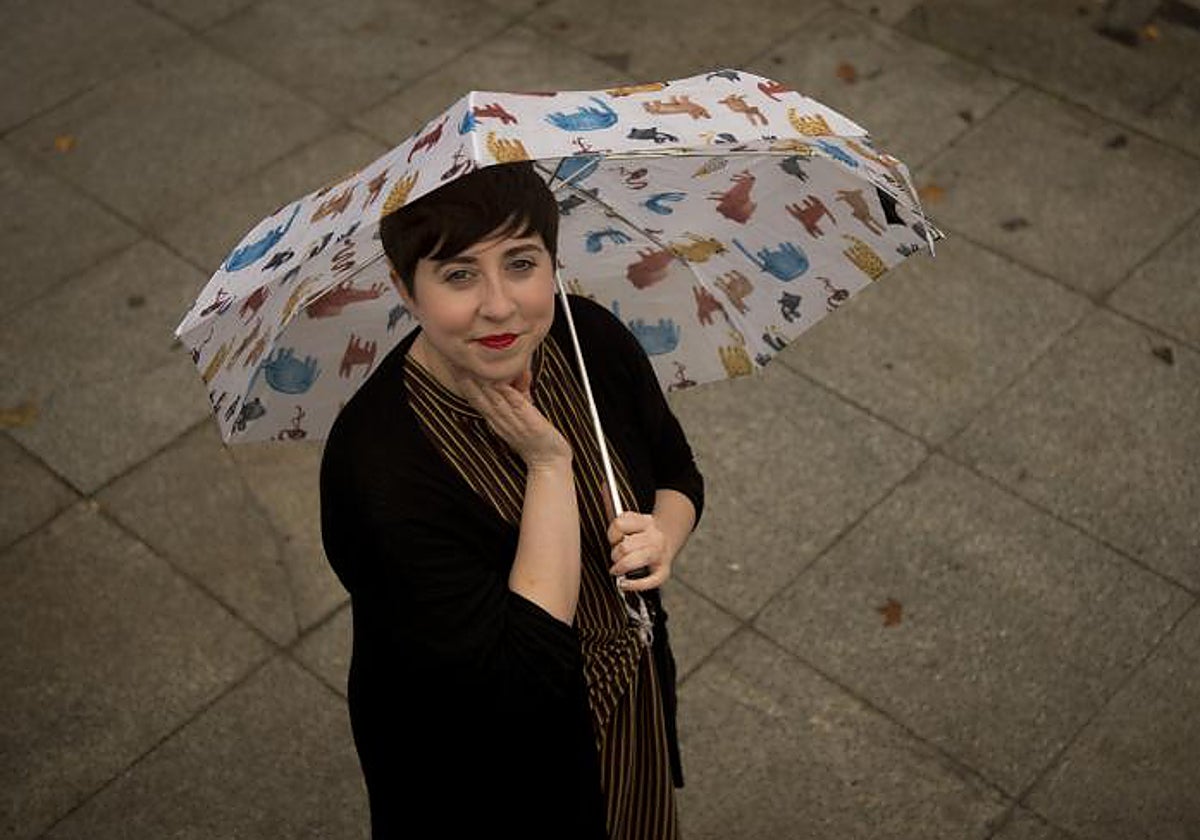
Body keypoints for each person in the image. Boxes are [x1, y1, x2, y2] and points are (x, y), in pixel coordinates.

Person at [319, 161, 704, 839]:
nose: (499, 306)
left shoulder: (587, 340)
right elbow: (522, 680)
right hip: (493, 770)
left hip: (627, 705)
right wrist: (549, 465)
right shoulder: (376, 468)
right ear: (405, 288)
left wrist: (663, 535)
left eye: (522, 264)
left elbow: (678, 472)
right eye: (459, 275)